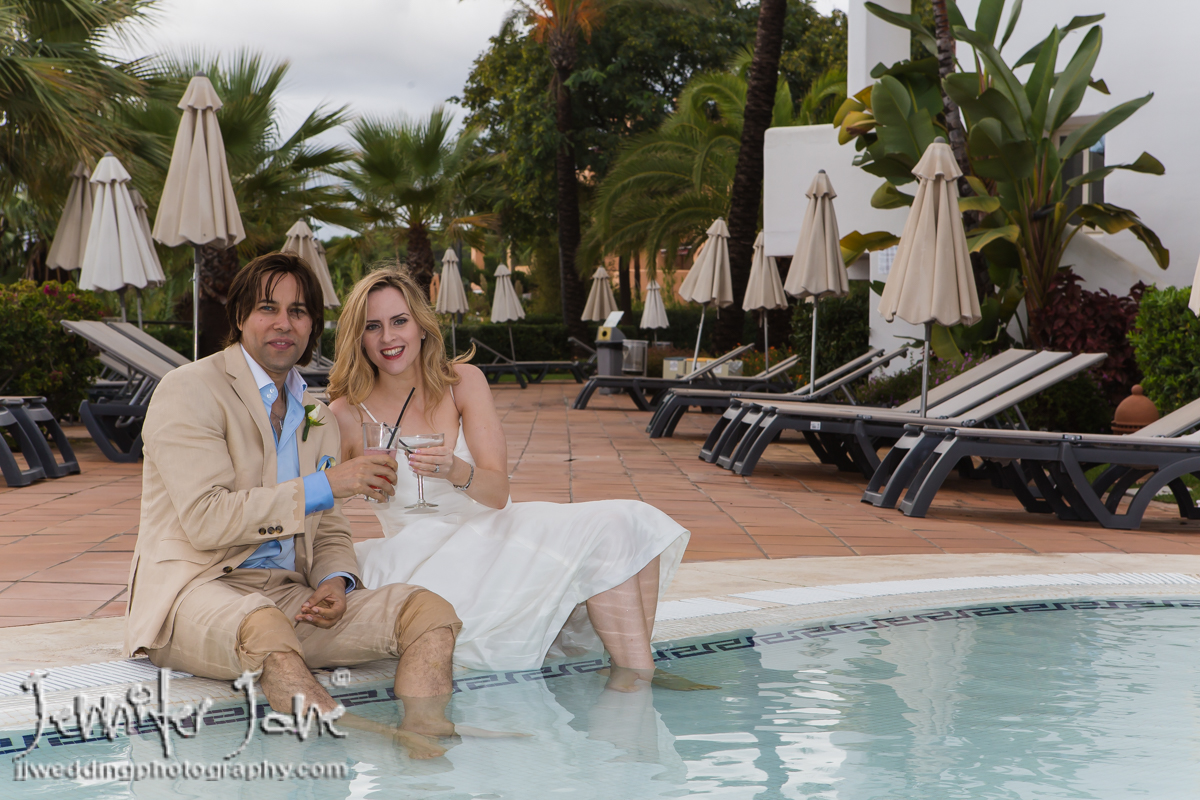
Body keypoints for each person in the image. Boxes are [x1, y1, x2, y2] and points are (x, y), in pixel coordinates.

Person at [125, 252, 464, 759]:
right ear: (240, 317)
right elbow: (206, 519)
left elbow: (328, 529)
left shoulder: (316, 414)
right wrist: (327, 485)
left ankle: (424, 758)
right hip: (195, 591)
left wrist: (335, 580)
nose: (284, 323)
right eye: (268, 308)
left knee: (430, 615)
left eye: (299, 311)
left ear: (312, 327)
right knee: (265, 628)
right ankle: (339, 756)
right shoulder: (190, 390)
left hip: (292, 597)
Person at [327, 268, 708, 692]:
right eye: (372, 327)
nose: (388, 338)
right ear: (358, 338)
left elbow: (497, 493)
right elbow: (325, 509)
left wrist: (455, 470)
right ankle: (636, 683)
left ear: (420, 325)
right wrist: (353, 483)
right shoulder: (347, 413)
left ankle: (634, 673)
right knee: (611, 529)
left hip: (491, 527)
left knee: (630, 521)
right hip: (421, 556)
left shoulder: (463, 383)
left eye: (399, 321)